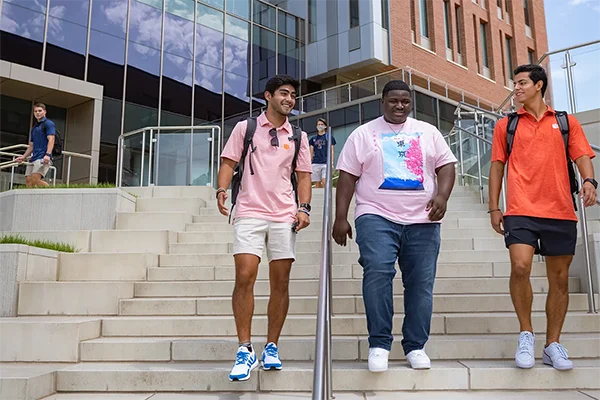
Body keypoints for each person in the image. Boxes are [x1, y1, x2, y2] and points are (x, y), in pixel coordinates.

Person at [332, 80, 457, 372]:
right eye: (393, 101)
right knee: (377, 272)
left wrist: (442, 195)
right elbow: (347, 176)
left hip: (422, 219)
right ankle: (379, 343)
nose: (399, 106)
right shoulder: (363, 134)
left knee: (421, 284)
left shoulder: (428, 132)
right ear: (383, 102)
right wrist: (340, 217)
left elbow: (446, 165)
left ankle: (415, 345)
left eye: (404, 101)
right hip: (375, 215)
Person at [489, 64, 597, 371]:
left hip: (560, 210)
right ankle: (526, 334)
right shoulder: (505, 126)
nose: (516, 88)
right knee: (520, 265)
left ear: (539, 85)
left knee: (560, 279)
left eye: (522, 83)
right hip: (520, 209)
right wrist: (494, 207)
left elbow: (582, 157)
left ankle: (552, 345)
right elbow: (497, 167)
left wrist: (589, 182)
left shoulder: (565, 122)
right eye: (515, 83)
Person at [216, 74, 312, 382]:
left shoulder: (298, 135)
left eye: (293, 95)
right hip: (249, 211)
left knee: (280, 283)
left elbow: (304, 176)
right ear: (268, 96)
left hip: (284, 215)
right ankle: (245, 348)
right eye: (284, 93)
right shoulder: (247, 128)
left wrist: (304, 208)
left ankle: (272, 346)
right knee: (244, 275)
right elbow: (229, 162)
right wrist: (221, 189)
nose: (289, 99)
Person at [15, 103, 55, 187]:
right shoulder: (34, 128)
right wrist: (23, 157)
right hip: (34, 157)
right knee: (28, 180)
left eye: (40, 111)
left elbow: (51, 139)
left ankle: (51, 192)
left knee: (35, 179)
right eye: (35, 111)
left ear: (45, 112)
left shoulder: (48, 123)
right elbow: (31, 145)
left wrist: (47, 155)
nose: (37, 113)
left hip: (43, 156)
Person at [309, 118, 336, 188]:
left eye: (322, 124)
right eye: (318, 124)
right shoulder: (313, 139)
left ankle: (327, 197)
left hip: (325, 162)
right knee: (317, 184)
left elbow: (332, 151)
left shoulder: (329, 137)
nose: (320, 126)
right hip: (315, 162)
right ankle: (320, 198)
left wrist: (332, 163)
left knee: (325, 181)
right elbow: (311, 152)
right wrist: (309, 163)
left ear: (325, 126)